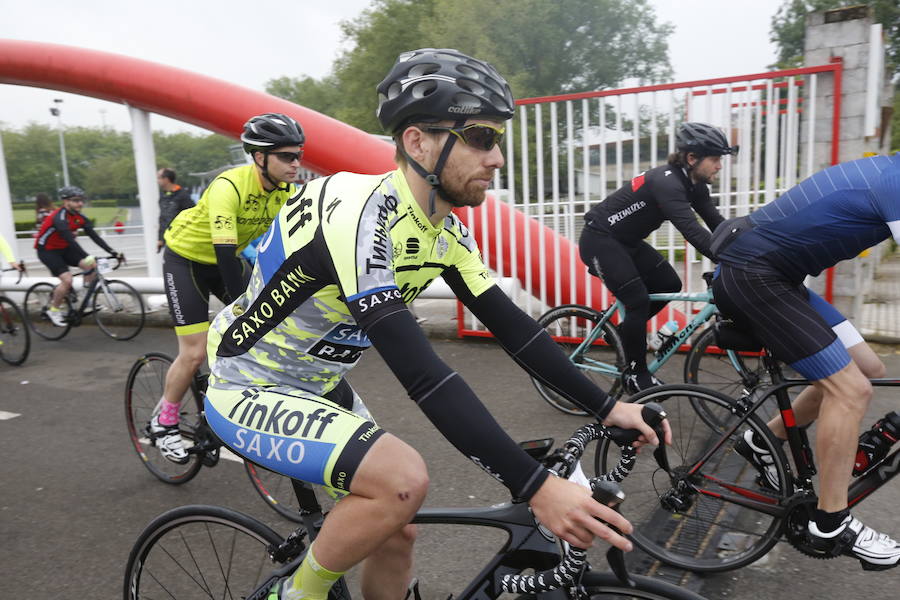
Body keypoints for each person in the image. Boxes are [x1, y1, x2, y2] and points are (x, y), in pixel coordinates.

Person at [202, 48, 670, 600]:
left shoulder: (445, 231)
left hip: (320, 384)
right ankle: (294, 595)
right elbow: (424, 375)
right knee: (402, 482)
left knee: (398, 531)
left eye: (498, 140)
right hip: (249, 383)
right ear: (418, 141)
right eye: (479, 137)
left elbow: (516, 328)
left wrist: (609, 406)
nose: (496, 157)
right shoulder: (359, 214)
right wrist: (534, 485)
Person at [712, 152, 900, 570]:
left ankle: (764, 439)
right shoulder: (895, 182)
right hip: (753, 273)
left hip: (777, 275)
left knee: (868, 368)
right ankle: (831, 521)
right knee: (852, 391)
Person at [152, 113, 305, 464]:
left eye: (298, 155)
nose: (296, 163)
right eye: (286, 156)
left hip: (227, 258)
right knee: (193, 353)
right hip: (187, 260)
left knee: (272, 327)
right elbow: (224, 253)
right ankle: (164, 421)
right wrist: (243, 309)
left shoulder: (286, 192)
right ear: (259, 157)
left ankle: (242, 405)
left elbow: (293, 248)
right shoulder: (229, 186)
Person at [579, 122, 737, 394]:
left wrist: (744, 246)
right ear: (692, 158)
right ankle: (635, 374)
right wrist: (733, 258)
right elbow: (693, 232)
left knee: (668, 283)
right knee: (637, 300)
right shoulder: (667, 182)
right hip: (599, 239)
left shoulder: (696, 186)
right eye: (714, 159)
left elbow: (716, 224)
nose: (719, 166)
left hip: (627, 242)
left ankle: (622, 332)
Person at [34, 186, 122, 326]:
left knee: (91, 266)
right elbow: (70, 240)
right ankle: (54, 310)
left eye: (81, 200)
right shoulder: (59, 218)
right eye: (76, 201)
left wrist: (113, 252)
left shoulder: (79, 217)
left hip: (64, 248)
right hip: (47, 251)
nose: (80, 204)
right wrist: (87, 256)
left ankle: (84, 299)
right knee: (67, 280)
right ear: (65, 201)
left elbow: (94, 237)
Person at [156, 167, 194, 253]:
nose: (157, 180)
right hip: (170, 240)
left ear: (166, 179)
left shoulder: (183, 195)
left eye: (159, 177)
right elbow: (163, 218)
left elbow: (193, 215)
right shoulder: (163, 195)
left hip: (183, 241)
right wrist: (160, 239)